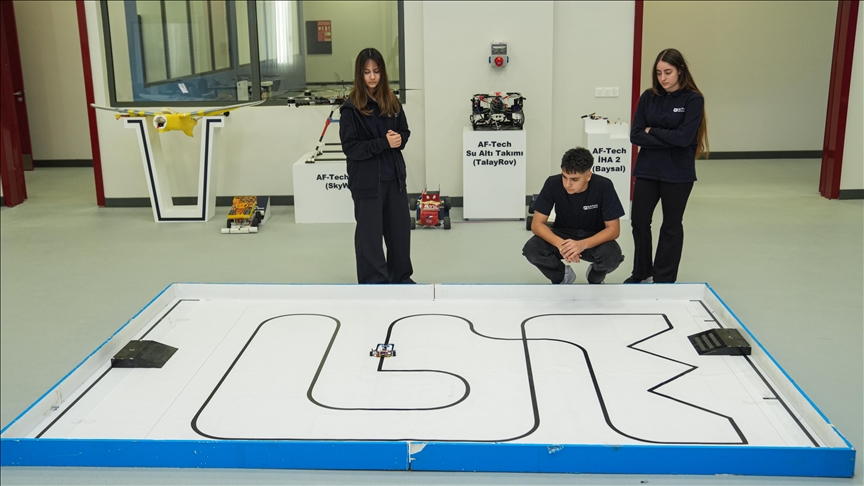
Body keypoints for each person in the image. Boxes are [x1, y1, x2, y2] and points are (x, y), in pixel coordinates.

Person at [625, 48, 709, 284]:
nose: (663, 78)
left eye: (668, 72)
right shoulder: (648, 97)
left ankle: (664, 278)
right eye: (659, 73)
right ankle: (641, 272)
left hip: (678, 173)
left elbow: (684, 138)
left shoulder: (693, 100)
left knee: (671, 225)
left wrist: (653, 131)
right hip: (648, 170)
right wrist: (670, 137)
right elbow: (635, 135)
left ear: (680, 70)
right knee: (639, 221)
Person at [339, 48, 414, 284]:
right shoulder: (351, 109)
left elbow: (404, 131)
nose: (372, 77)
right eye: (367, 72)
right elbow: (351, 148)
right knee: (369, 236)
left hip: (394, 179)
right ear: (359, 75)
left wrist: (400, 139)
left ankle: (400, 278)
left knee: (399, 232)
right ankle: (374, 282)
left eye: (376, 71)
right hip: (367, 182)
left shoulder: (392, 102)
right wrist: (384, 143)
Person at [522, 147, 625, 284]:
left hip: (593, 236)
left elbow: (613, 229)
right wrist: (561, 245)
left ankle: (595, 277)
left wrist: (582, 244)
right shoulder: (552, 183)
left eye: (574, 179)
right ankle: (561, 275)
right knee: (532, 249)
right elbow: (537, 224)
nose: (567, 184)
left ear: (588, 176)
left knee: (612, 256)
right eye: (564, 177)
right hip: (562, 234)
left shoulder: (604, 186)